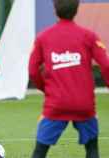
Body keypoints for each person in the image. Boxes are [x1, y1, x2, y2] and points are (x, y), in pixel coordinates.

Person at [28, 0, 109, 157]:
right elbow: (106, 66)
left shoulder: (43, 38)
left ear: (54, 10)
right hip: (84, 105)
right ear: (77, 10)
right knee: (92, 149)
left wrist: (46, 89)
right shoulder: (89, 36)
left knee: (40, 151)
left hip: (56, 104)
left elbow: (32, 71)